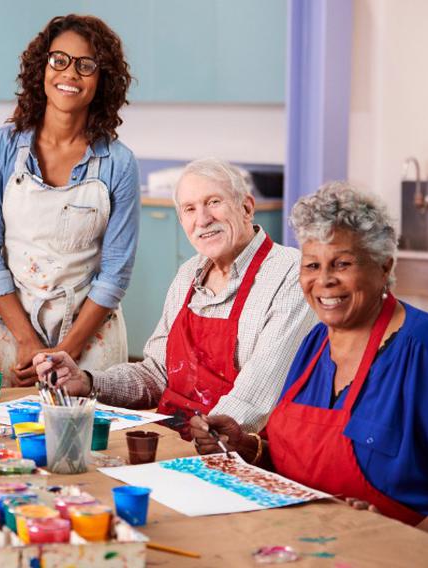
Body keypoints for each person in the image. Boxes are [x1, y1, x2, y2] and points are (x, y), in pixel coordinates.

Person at [191, 183, 428, 529]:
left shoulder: (419, 347)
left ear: (383, 268)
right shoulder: (314, 343)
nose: (324, 280)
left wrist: (401, 532)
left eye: (342, 263)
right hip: (301, 539)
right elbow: (304, 460)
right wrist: (247, 447)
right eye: (312, 265)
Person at [36, 158, 317, 435]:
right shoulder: (188, 273)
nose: (203, 220)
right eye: (190, 209)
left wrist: (197, 440)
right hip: (175, 435)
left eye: (214, 202)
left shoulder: (290, 274)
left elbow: (253, 400)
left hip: (237, 448)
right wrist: (87, 381)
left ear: (246, 207)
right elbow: (156, 374)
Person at [0, 14, 140, 387]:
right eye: (59, 59)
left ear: (103, 79)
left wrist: (69, 349)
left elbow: (115, 273)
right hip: (15, 333)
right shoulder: (1, 147)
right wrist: (27, 340)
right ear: (41, 67)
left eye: (87, 65)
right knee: (9, 439)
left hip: (90, 336)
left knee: (91, 443)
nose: (70, 74)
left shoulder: (119, 163)